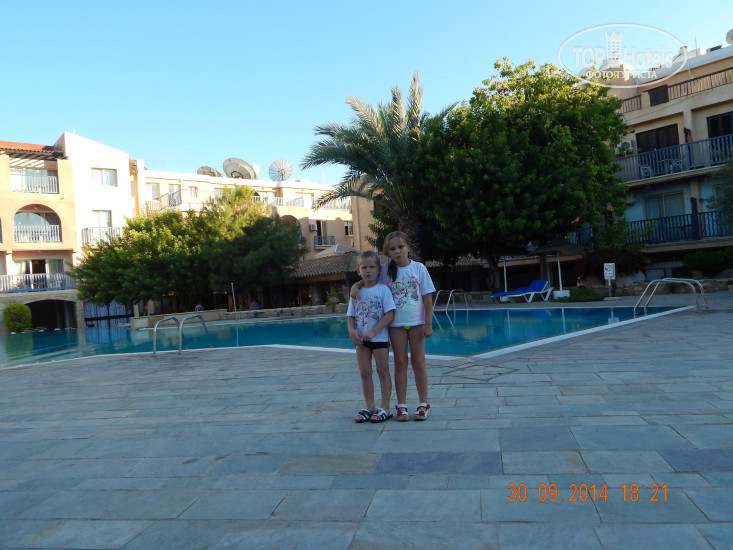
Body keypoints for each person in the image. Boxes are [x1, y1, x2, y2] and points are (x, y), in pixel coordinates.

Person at [351, 231, 435, 421]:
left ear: (408, 247)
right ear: (387, 252)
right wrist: (355, 286)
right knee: (400, 363)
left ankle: (423, 403)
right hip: (396, 325)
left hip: (417, 324)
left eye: (400, 247)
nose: (398, 251)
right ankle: (402, 405)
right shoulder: (384, 270)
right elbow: (367, 278)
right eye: (393, 248)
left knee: (418, 362)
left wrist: (428, 324)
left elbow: (427, 298)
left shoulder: (419, 268)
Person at [347, 250, 396, 423]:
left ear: (379, 269)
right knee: (365, 373)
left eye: (372, 267)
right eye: (364, 267)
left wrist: (374, 331)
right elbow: (350, 316)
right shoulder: (356, 293)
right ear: (358, 271)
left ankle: (385, 407)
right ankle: (370, 407)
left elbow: (389, 315)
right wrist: (352, 332)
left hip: (379, 339)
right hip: (361, 342)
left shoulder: (383, 290)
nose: (368, 270)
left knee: (383, 371)